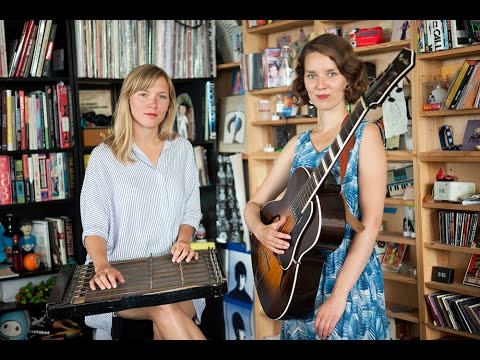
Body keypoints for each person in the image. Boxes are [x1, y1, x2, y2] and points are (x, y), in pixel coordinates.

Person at [243, 33, 388, 340]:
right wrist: (261, 230)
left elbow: (372, 223)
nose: (321, 84)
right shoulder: (299, 144)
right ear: (303, 82)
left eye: (331, 74)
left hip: (348, 281)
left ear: (348, 79)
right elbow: (253, 206)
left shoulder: (366, 135)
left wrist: (338, 296)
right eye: (312, 75)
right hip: (295, 278)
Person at [80, 64, 205, 340]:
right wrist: (101, 266)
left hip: (173, 273)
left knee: (166, 310)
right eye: (144, 94)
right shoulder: (104, 156)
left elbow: (191, 210)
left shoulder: (182, 149)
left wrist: (184, 240)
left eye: (162, 96)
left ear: (170, 104)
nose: (153, 103)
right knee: (164, 309)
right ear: (127, 99)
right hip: (118, 277)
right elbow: (94, 226)